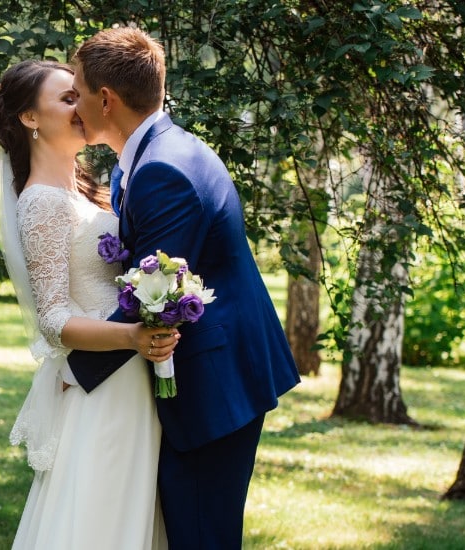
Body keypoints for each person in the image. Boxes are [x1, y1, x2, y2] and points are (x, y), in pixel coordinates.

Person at [67, 28, 302, 549]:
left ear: (105, 98)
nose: (74, 104)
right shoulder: (153, 153)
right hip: (216, 368)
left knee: (200, 536)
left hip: (213, 385)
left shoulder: (162, 171)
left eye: (78, 91)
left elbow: (153, 297)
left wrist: (68, 374)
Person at [0, 59, 179, 550]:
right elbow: (53, 320)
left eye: (81, 96)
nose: (82, 106)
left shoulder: (90, 194)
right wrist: (134, 337)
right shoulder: (42, 203)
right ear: (30, 118)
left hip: (128, 377)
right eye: (67, 98)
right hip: (101, 382)